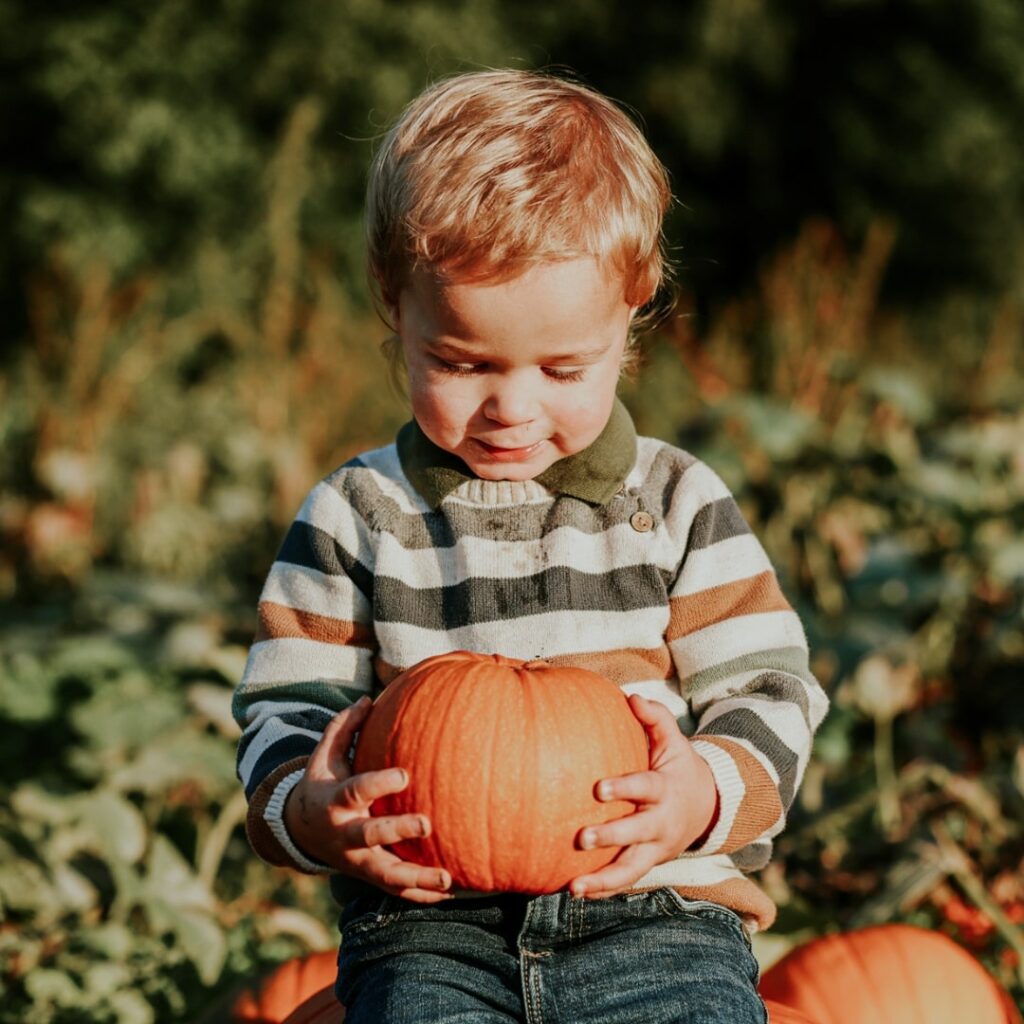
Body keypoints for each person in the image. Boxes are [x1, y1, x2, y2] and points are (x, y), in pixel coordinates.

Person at [233, 68, 829, 1024]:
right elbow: (287, 706)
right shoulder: (359, 513)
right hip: (428, 927)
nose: (512, 407)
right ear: (395, 302)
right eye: (461, 364)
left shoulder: (677, 502)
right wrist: (308, 812)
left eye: (562, 368)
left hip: (654, 910)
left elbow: (771, 689)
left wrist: (701, 796)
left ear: (631, 309)